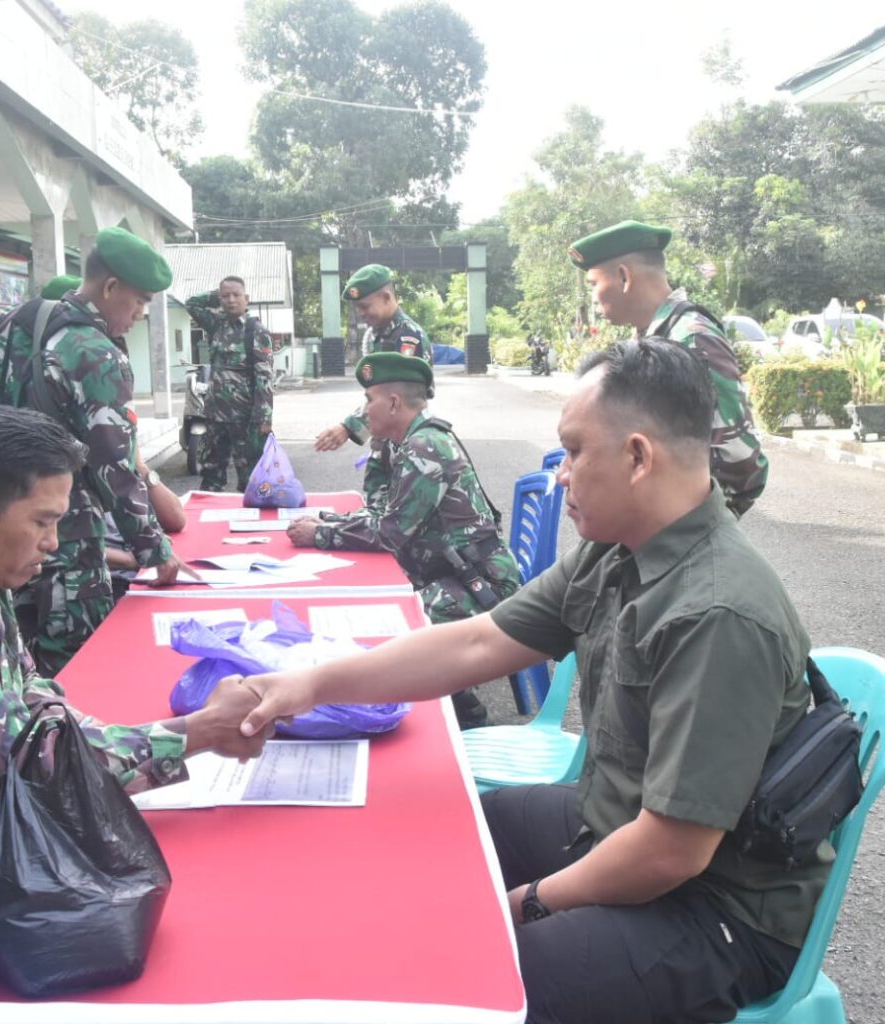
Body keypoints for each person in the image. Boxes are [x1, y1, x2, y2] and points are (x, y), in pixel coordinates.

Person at [238, 338, 827, 1024]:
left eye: (574, 452)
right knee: (452, 834)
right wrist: (309, 685)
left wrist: (528, 903)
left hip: (716, 907)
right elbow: (479, 640)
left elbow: (672, 852)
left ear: (639, 458)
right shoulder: (618, 550)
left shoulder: (717, 612)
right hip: (616, 824)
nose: (561, 476)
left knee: (471, 969)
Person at [0, 405, 269, 793]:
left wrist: (140, 737)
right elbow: (26, 771)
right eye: (42, 522)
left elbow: (33, 698)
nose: (53, 543)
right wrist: (199, 731)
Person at [0, 226, 191, 676]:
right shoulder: (94, 352)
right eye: (139, 301)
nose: (140, 314)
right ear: (110, 287)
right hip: (63, 535)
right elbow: (115, 467)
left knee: (8, 656)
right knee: (75, 663)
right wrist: (154, 550)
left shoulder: (15, 323)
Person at [288, 352, 520, 730]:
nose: (364, 411)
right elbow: (382, 509)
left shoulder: (426, 446)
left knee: (398, 630)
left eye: (369, 400)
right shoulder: (404, 442)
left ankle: (464, 715)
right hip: (447, 572)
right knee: (373, 613)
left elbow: (390, 532)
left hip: (478, 584)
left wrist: (321, 534)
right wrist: (333, 519)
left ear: (394, 403)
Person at [568, 220, 768, 516]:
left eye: (594, 284)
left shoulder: (692, 338)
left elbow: (741, 459)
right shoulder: (650, 339)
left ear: (623, 277)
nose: (593, 298)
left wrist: (688, 524)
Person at [314, 264, 432, 508]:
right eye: (358, 308)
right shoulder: (379, 335)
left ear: (386, 297)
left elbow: (396, 398)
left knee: (396, 513)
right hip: (384, 441)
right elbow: (376, 394)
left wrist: (348, 427)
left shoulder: (407, 337)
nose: (361, 313)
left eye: (365, 306)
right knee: (375, 509)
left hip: (405, 445)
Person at [184, 276, 274, 492]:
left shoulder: (256, 330)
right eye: (225, 296)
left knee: (250, 478)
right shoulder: (216, 325)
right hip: (215, 415)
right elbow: (191, 304)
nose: (231, 300)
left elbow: (264, 375)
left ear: (247, 299)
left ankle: (250, 511)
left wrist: (264, 417)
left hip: (244, 417)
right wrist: (217, 294)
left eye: (236, 295)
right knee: (211, 474)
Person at [105, 452, 186, 599]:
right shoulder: (72, 466)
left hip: (140, 574)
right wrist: (133, 560)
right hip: (106, 583)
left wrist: (139, 466)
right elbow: (66, 548)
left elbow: (175, 520)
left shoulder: (120, 468)